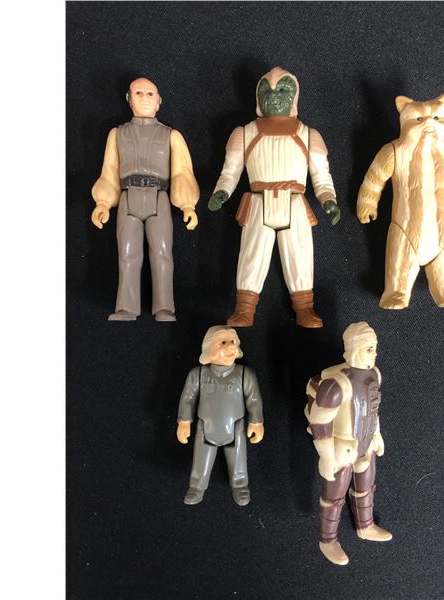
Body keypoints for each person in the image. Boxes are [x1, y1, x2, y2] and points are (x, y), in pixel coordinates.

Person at [208, 67, 341, 328]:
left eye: (282, 90)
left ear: (294, 97)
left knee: (300, 255)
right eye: (267, 91)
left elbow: (321, 175)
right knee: (252, 254)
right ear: (258, 99)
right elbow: (230, 172)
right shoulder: (243, 133)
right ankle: (244, 309)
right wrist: (221, 192)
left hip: (294, 203)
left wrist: (328, 200)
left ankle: (305, 308)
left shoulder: (309, 135)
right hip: (259, 202)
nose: (274, 97)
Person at [91, 77, 200, 321]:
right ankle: (127, 307)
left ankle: (164, 307)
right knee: (127, 254)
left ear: (159, 101)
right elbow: (109, 170)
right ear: (129, 100)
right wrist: (103, 202)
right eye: (138, 93)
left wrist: (187, 204)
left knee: (162, 253)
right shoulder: (117, 134)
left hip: (158, 198)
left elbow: (182, 171)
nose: (144, 98)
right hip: (128, 198)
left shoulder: (171, 136)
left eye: (150, 93)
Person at [306, 322, 392, 565]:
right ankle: (327, 540)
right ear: (353, 348)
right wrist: (326, 456)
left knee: (366, 488)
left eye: (374, 347)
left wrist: (377, 434)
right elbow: (320, 422)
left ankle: (366, 526)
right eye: (368, 348)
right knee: (333, 498)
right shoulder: (336, 384)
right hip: (341, 450)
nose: (373, 353)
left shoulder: (375, 374)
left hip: (365, 444)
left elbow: (373, 409)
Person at [177, 326, 264, 506]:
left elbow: (254, 399)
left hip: (236, 428)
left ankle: (240, 485)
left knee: (238, 459)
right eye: (223, 342)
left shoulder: (244, 374)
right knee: (201, 459)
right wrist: (184, 421)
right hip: (205, 427)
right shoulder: (198, 374)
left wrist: (256, 422)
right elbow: (187, 398)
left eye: (233, 342)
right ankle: (196, 486)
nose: (230, 346)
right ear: (208, 347)